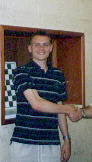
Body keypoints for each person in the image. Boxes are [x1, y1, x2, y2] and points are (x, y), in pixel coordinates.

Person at [10, 31, 77, 162]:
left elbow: (59, 108)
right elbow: (37, 104)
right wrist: (69, 109)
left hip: (51, 144)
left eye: (45, 45)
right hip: (24, 144)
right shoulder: (21, 72)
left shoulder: (58, 75)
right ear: (29, 48)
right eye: (37, 45)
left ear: (51, 48)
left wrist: (66, 139)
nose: (41, 49)